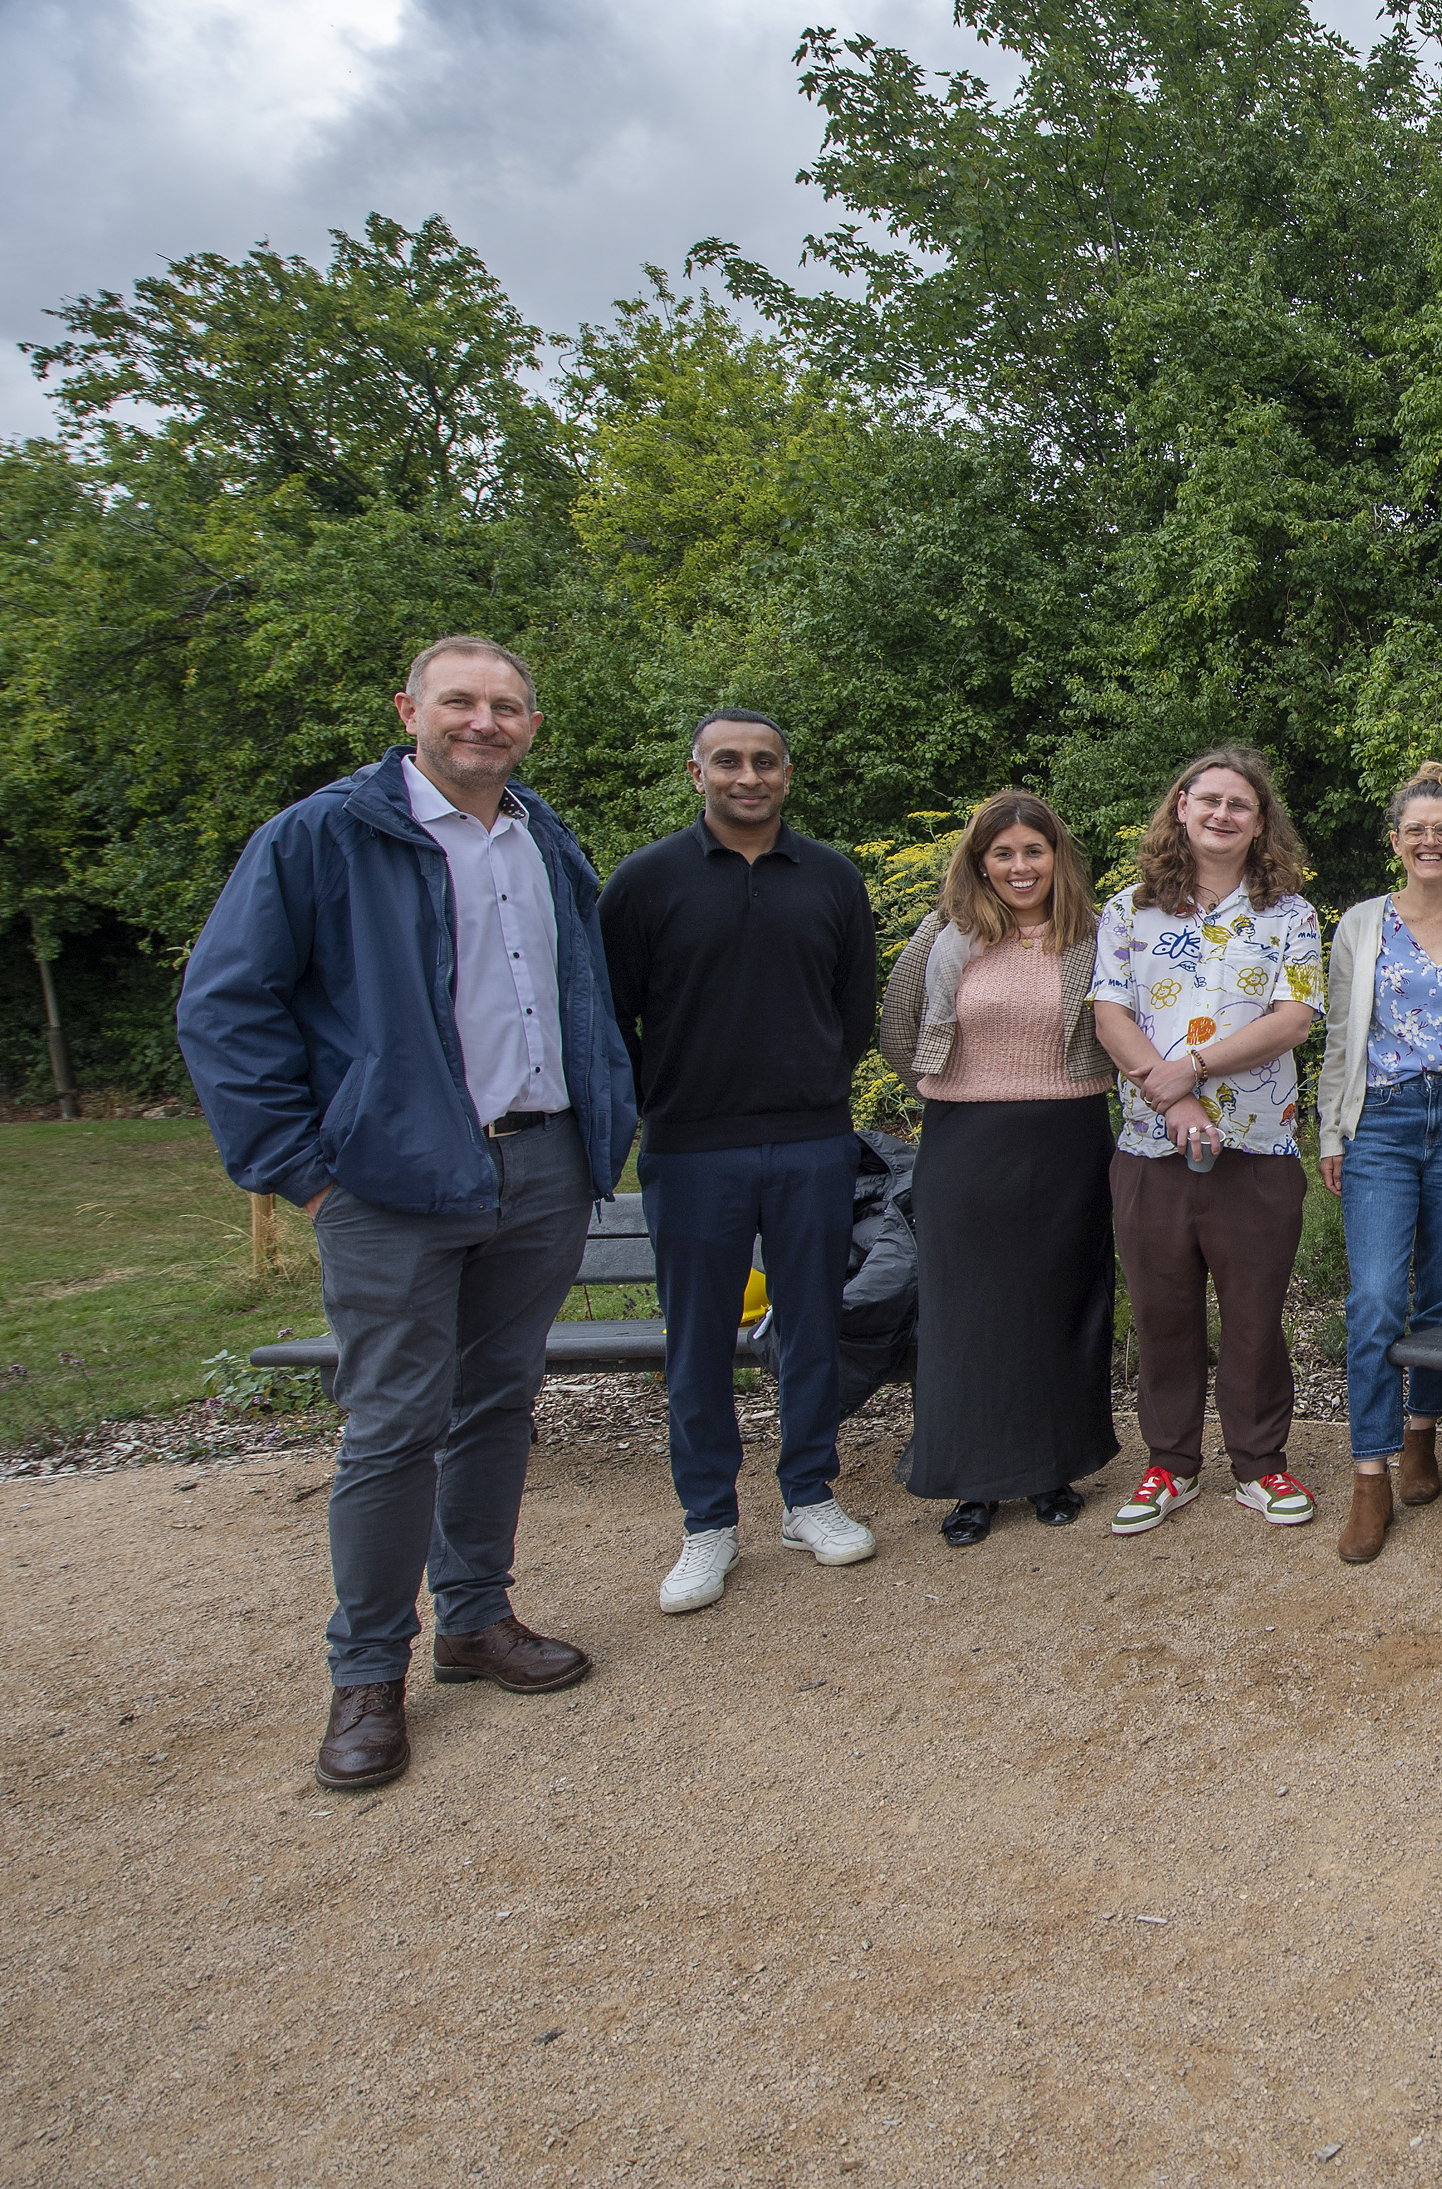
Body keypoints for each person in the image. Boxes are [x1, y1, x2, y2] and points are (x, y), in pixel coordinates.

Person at [175, 636, 638, 1792]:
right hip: (390, 1182)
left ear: (531, 724)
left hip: (539, 1164)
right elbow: (225, 1006)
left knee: (497, 1399)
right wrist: (303, 1166)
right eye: (460, 701)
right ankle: (366, 1674)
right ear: (410, 710)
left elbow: (576, 993)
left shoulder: (543, 838)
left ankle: (475, 1618)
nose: (484, 721)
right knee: (391, 1425)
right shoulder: (324, 835)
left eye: (506, 705)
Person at [602, 709, 883, 1614]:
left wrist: (809, 1090)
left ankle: (808, 1495)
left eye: (765, 761)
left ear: (788, 774)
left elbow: (854, 1010)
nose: (748, 776)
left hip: (810, 1140)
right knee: (698, 1342)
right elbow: (612, 1018)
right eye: (729, 761)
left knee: (810, 1326)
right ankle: (708, 1522)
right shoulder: (646, 883)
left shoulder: (832, 879)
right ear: (697, 773)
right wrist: (669, 1101)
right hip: (691, 1148)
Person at [1090, 747, 1326, 1535]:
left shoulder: (1290, 913)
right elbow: (1109, 1014)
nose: (1223, 815)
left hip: (1256, 1147)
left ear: (1262, 825)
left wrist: (1185, 1071)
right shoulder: (1128, 910)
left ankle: (1261, 1463)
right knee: (1162, 1312)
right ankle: (1170, 1464)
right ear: (1182, 806)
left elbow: (1293, 1019)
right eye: (1209, 800)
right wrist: (1169, 1097)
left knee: (1256, 1313)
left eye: (1241, 805)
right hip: (1150, 1149)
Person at [878, 791, 1122, 1545]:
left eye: (1034, 851)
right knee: (968, 1318)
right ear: (980, 861)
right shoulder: (943, 935)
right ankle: (971, 1483)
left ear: (1058, 858)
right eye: (1004, 853)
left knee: (1060, 1307)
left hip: (1068, 1136)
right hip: (966, 1141)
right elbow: (896, 1025)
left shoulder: (1092, 934)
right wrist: (942, 1089)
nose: (1021, 867)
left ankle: (1053, 1467)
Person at [1316, 762, 1442, 1562]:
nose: (1429, 840)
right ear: (1395, 841)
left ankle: (1420, 1435)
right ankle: (1368, 1473)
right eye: (1416, 829)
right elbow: (1342, 1038)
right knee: (1373, 1296)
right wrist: (1334, 1134)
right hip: (1386, 1120)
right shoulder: (1361, 925)